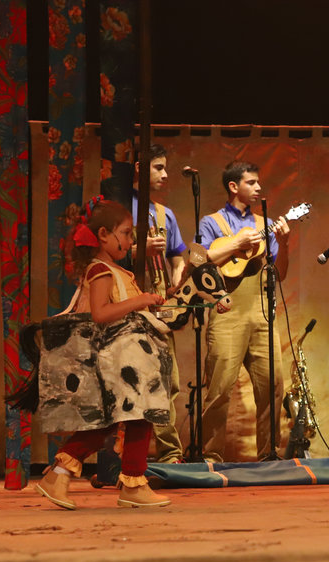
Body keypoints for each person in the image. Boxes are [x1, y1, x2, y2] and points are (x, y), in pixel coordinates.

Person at [31, 198, 171, 509]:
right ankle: (132, 483)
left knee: (114, 422)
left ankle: (60, 475)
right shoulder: (100, 269)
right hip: (113, 362)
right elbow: (100, 313)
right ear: (104, 235)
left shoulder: (117, 271)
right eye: (126, 233)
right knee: (135, 415)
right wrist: (141, 301)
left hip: (126, 361)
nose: (130, 241)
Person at [198, 160, 290, 462]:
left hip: (262, 313)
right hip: (227, 313)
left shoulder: (265, 224)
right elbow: (200, 260)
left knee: (272, 386)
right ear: (233, 186)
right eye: (251, 182)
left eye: (258, 182)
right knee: (219, 387)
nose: (258, 187)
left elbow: (281, 273)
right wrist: (236, 243)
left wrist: (284, 243)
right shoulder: (211, 222)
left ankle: (268, 455)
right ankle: (210, 456)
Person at [131, 143, 187, 463]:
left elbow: (177, 255)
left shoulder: (166, 214)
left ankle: (170, 454)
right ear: (140, 169)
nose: (165, 174)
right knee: (132, 383)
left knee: (168, 379)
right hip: (128, 305)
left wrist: (177, 276)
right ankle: (119, 457)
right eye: (159, 167)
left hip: (160, 305)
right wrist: (140, 250)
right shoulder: (121, 208)